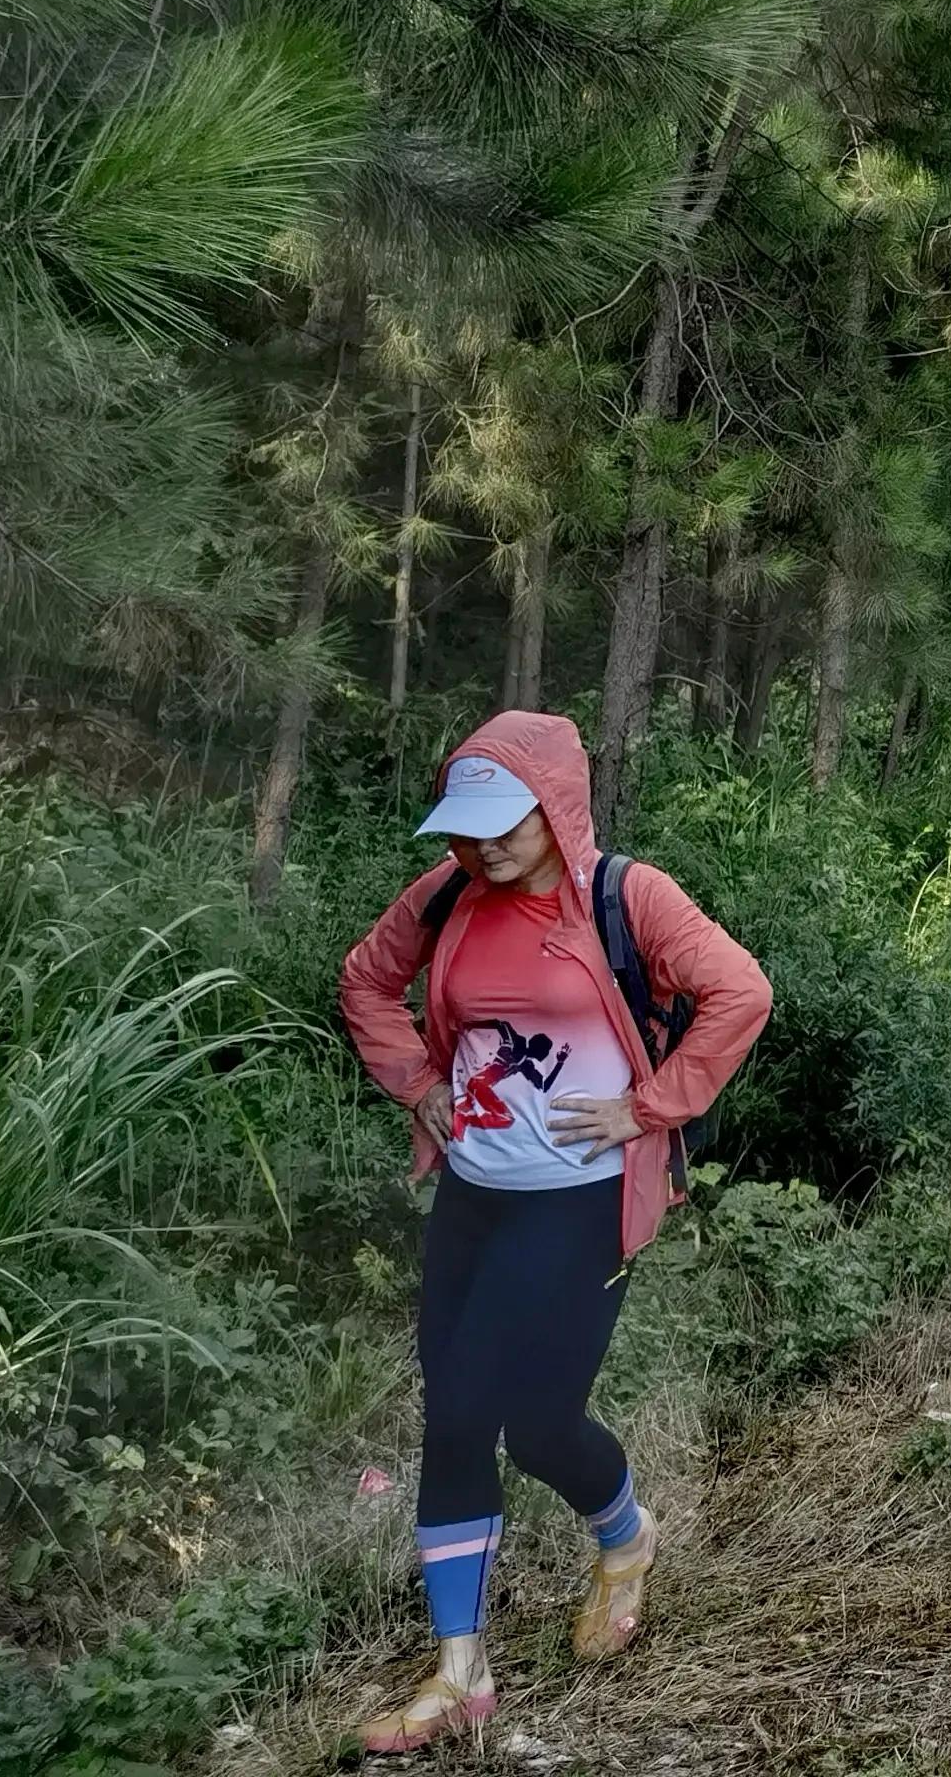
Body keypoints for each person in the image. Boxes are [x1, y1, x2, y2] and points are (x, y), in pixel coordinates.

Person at [336, 711, 772, 1754]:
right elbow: (365, 981)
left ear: (557, 806)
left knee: (528, 1423)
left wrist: (652, 1105)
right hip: (474, 1195)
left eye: (507, 823)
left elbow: (739, 992)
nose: (485, 846)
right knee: (457, 1412)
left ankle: (625, 1540)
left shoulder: (628, 897)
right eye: (468, 824)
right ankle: (461, 1674)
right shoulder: (445, 896)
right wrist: (418, 1082)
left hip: (581, 1204)